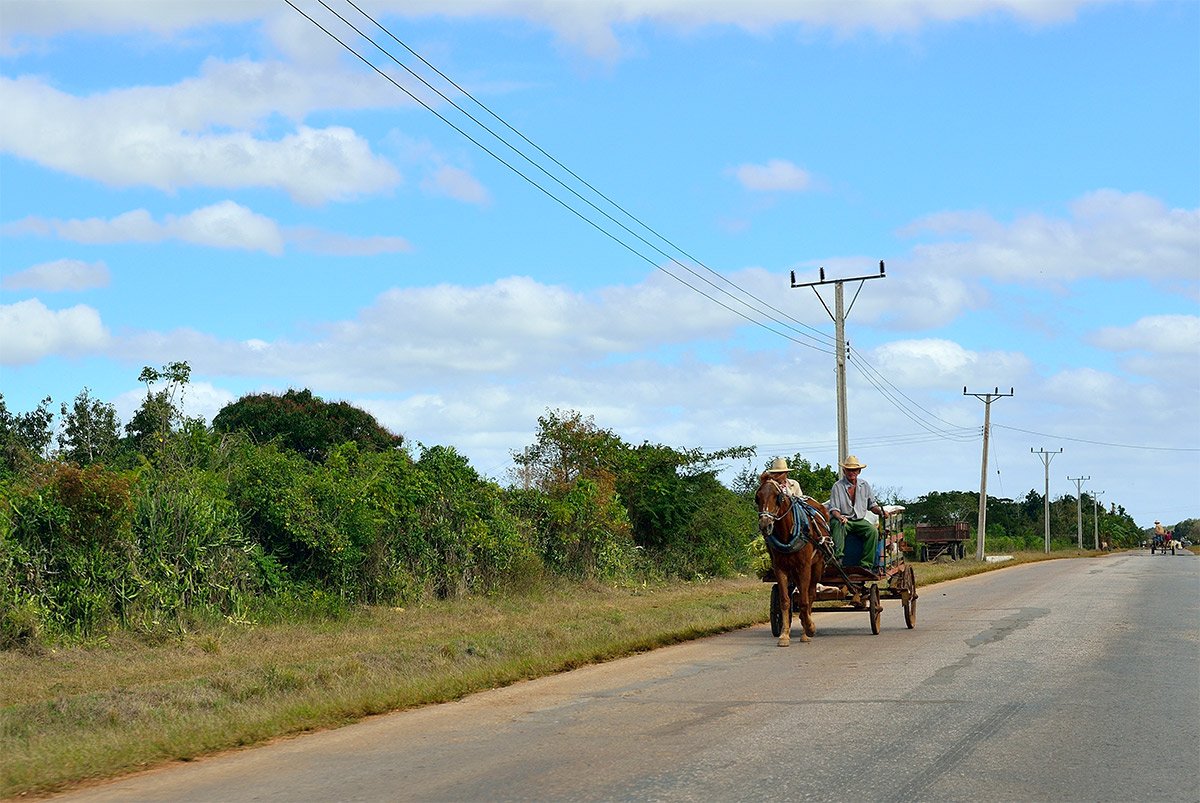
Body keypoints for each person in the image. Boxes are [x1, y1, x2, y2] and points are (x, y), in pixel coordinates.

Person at [827, 455, 887, 571]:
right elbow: (834, 508)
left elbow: (872, 505)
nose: (851, 473)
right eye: (849, 470)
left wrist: (880, 512)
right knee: (838, 525)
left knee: (872, 531)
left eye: (854, 470)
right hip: (843, 520)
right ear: (844, 471)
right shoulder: (837, 486)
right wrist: (840, 517)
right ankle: (838, 559)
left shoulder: (864, 485)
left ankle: (866, 565)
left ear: (859, 471)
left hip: (859, 520)